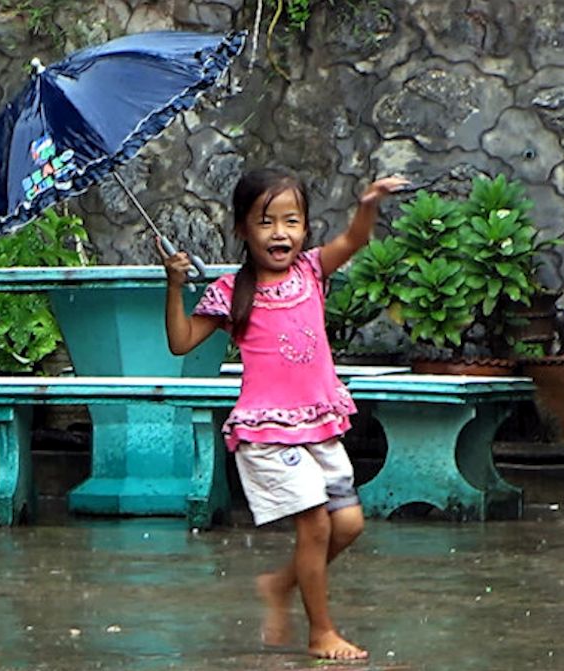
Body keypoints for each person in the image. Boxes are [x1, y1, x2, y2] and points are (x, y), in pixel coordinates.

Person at [158, 167, 410, 660]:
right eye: (265, 222)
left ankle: (279, 584)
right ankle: (321, 633)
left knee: (349, 525)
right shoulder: (230, 292)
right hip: (268, 433)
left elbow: (356, 239)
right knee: (316, 526)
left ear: (305, 228)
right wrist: (174, 286)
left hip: (318, 424)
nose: (280, 233)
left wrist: (368, 202)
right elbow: (180, 341)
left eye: (291, 221)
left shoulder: (312, 271)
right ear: (242, 230)